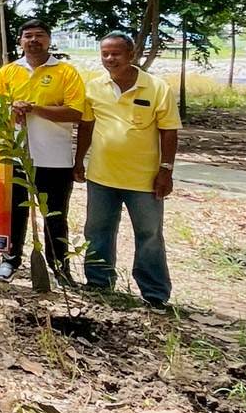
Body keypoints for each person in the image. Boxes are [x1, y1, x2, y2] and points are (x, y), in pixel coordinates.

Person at [73, 32, 180, 307]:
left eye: (116, 53)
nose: (110, 59)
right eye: (105, 54)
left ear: (132, 55)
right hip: (102, 176)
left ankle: (155, 293)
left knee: (149, 235)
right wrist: (78, 160)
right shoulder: (94, 87)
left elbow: (169, 131)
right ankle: (98, 283)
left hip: (144, 180)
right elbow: (87, 126)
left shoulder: (156, 88)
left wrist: (166, 170)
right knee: (97, 231)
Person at [0, 19, 85, 284]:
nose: (34, 40)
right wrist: (10, 110)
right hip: (15, 156)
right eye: (28, 36)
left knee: (55, 215)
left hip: (55, 158)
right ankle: (10, 261)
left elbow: (76, 112)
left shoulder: (65, 72)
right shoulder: (8, 72)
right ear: (20, 41)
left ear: (49, 40)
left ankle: (60, 267)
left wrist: (35, 108)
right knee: (15, 214)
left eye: (40, 35)